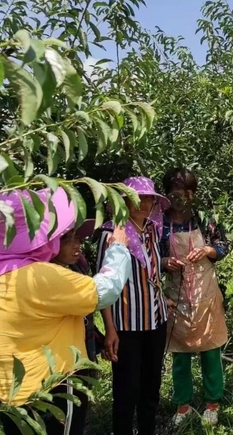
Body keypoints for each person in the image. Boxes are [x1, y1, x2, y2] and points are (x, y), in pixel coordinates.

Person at [0, 187, 132, 435]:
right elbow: (106, 289)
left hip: (4, 391)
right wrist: (118, 248)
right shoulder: (39, 276)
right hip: (49, 389)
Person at [96, 176, 170, 435]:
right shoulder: (111, 233)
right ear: (124, 201)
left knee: (151, 389)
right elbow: (101, 286)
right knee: (127, 392)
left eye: (148, 197)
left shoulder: (152, 230)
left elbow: (153, 272)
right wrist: (110, 329)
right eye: (136, 198)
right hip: (126, 327)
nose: (143, 203)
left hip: (156, 321)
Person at [159, 168, 230, 427]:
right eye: (177, 193)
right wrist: (165, 261)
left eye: (187, 192)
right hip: (176, 292)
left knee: (210, 349)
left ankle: (213, 403)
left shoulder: (204, 219)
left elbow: (223, 247)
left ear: (193, 194)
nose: (182, 198)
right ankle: (183, 404)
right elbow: (151, 257)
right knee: (180, 353)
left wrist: (207, 250)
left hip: (206, 291)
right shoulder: (159, 221)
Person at [50, 221, 104, 410]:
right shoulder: (48, 276)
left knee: (79, 405)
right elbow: (99, 295)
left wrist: (101, 339)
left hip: (83, 349)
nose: (76, 246)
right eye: (67, 241)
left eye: (78, 239)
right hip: (62, 361)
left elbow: (86, 314)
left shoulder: (78, 266)